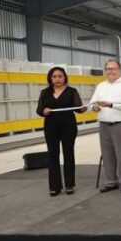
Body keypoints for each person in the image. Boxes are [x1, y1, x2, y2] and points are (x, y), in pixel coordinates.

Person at [36, 67, 86, 196]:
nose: (57, 79)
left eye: (60, 76)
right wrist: (44, 111)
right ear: (50, 78)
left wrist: (83, 108)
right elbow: (39, 110)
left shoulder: (71, 91)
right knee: (52, 154)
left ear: (64, 78)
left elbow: (78, 108)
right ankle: (54, 186)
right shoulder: (44, 92)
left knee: (68, 153)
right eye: (54, 76)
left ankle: (69, 184)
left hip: (68, 126)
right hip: (51, 127)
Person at [91, 59, 121, 193]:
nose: (111, 71)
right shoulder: (100, 86)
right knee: (107, 155)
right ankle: (111, 181)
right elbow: (92, 103)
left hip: (120, 123)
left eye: (114, 68)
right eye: (108, 69)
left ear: (119, 70)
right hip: (104, 124)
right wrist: (95, 107)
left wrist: (110, 104)